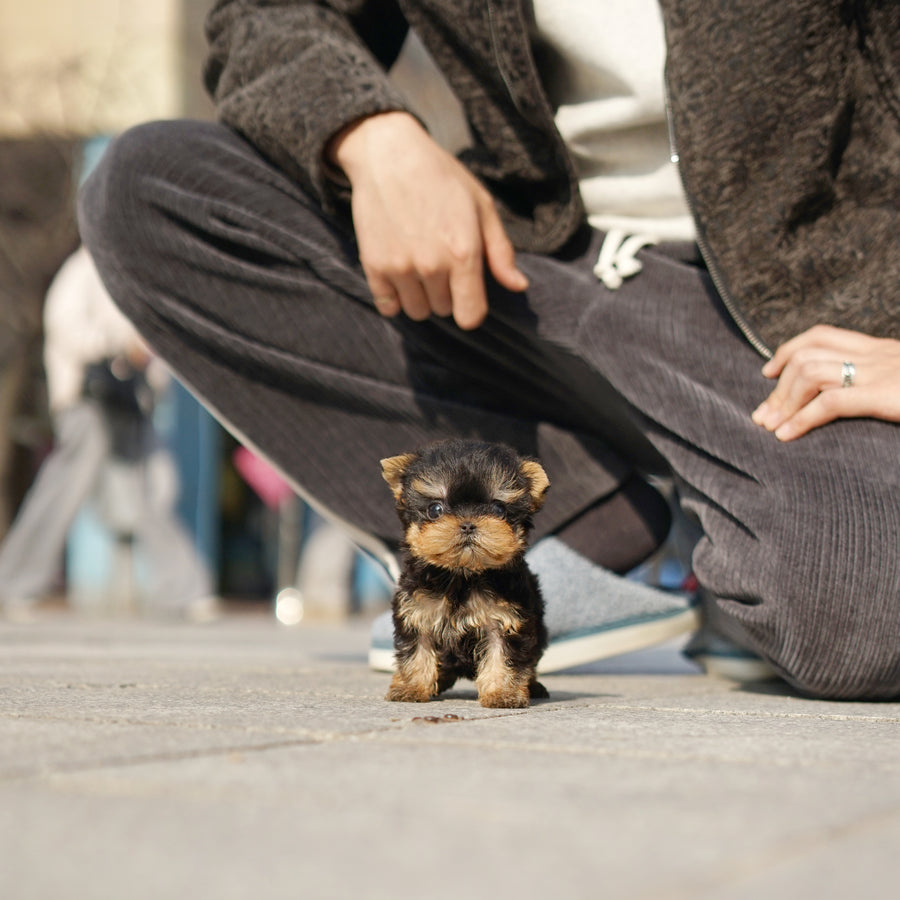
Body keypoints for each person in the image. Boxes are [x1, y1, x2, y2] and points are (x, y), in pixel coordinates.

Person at [78, 1, 899, 699]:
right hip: (525, 261)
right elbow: (266, 14)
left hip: (802, 311)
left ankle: (748, 555)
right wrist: (370, 134)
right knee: (151, 188)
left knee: (860, 599)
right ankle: (585, 527)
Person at [0, 246, 219, 622]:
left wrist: (150, 375)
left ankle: (184, 590)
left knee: (149, 494)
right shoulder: (83, 268)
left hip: (128, 402)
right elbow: (65, 327)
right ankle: (14, 584)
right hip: (88, 401)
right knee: (61, 493)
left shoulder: (134, 275)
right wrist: (117, 344)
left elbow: (154, 344)